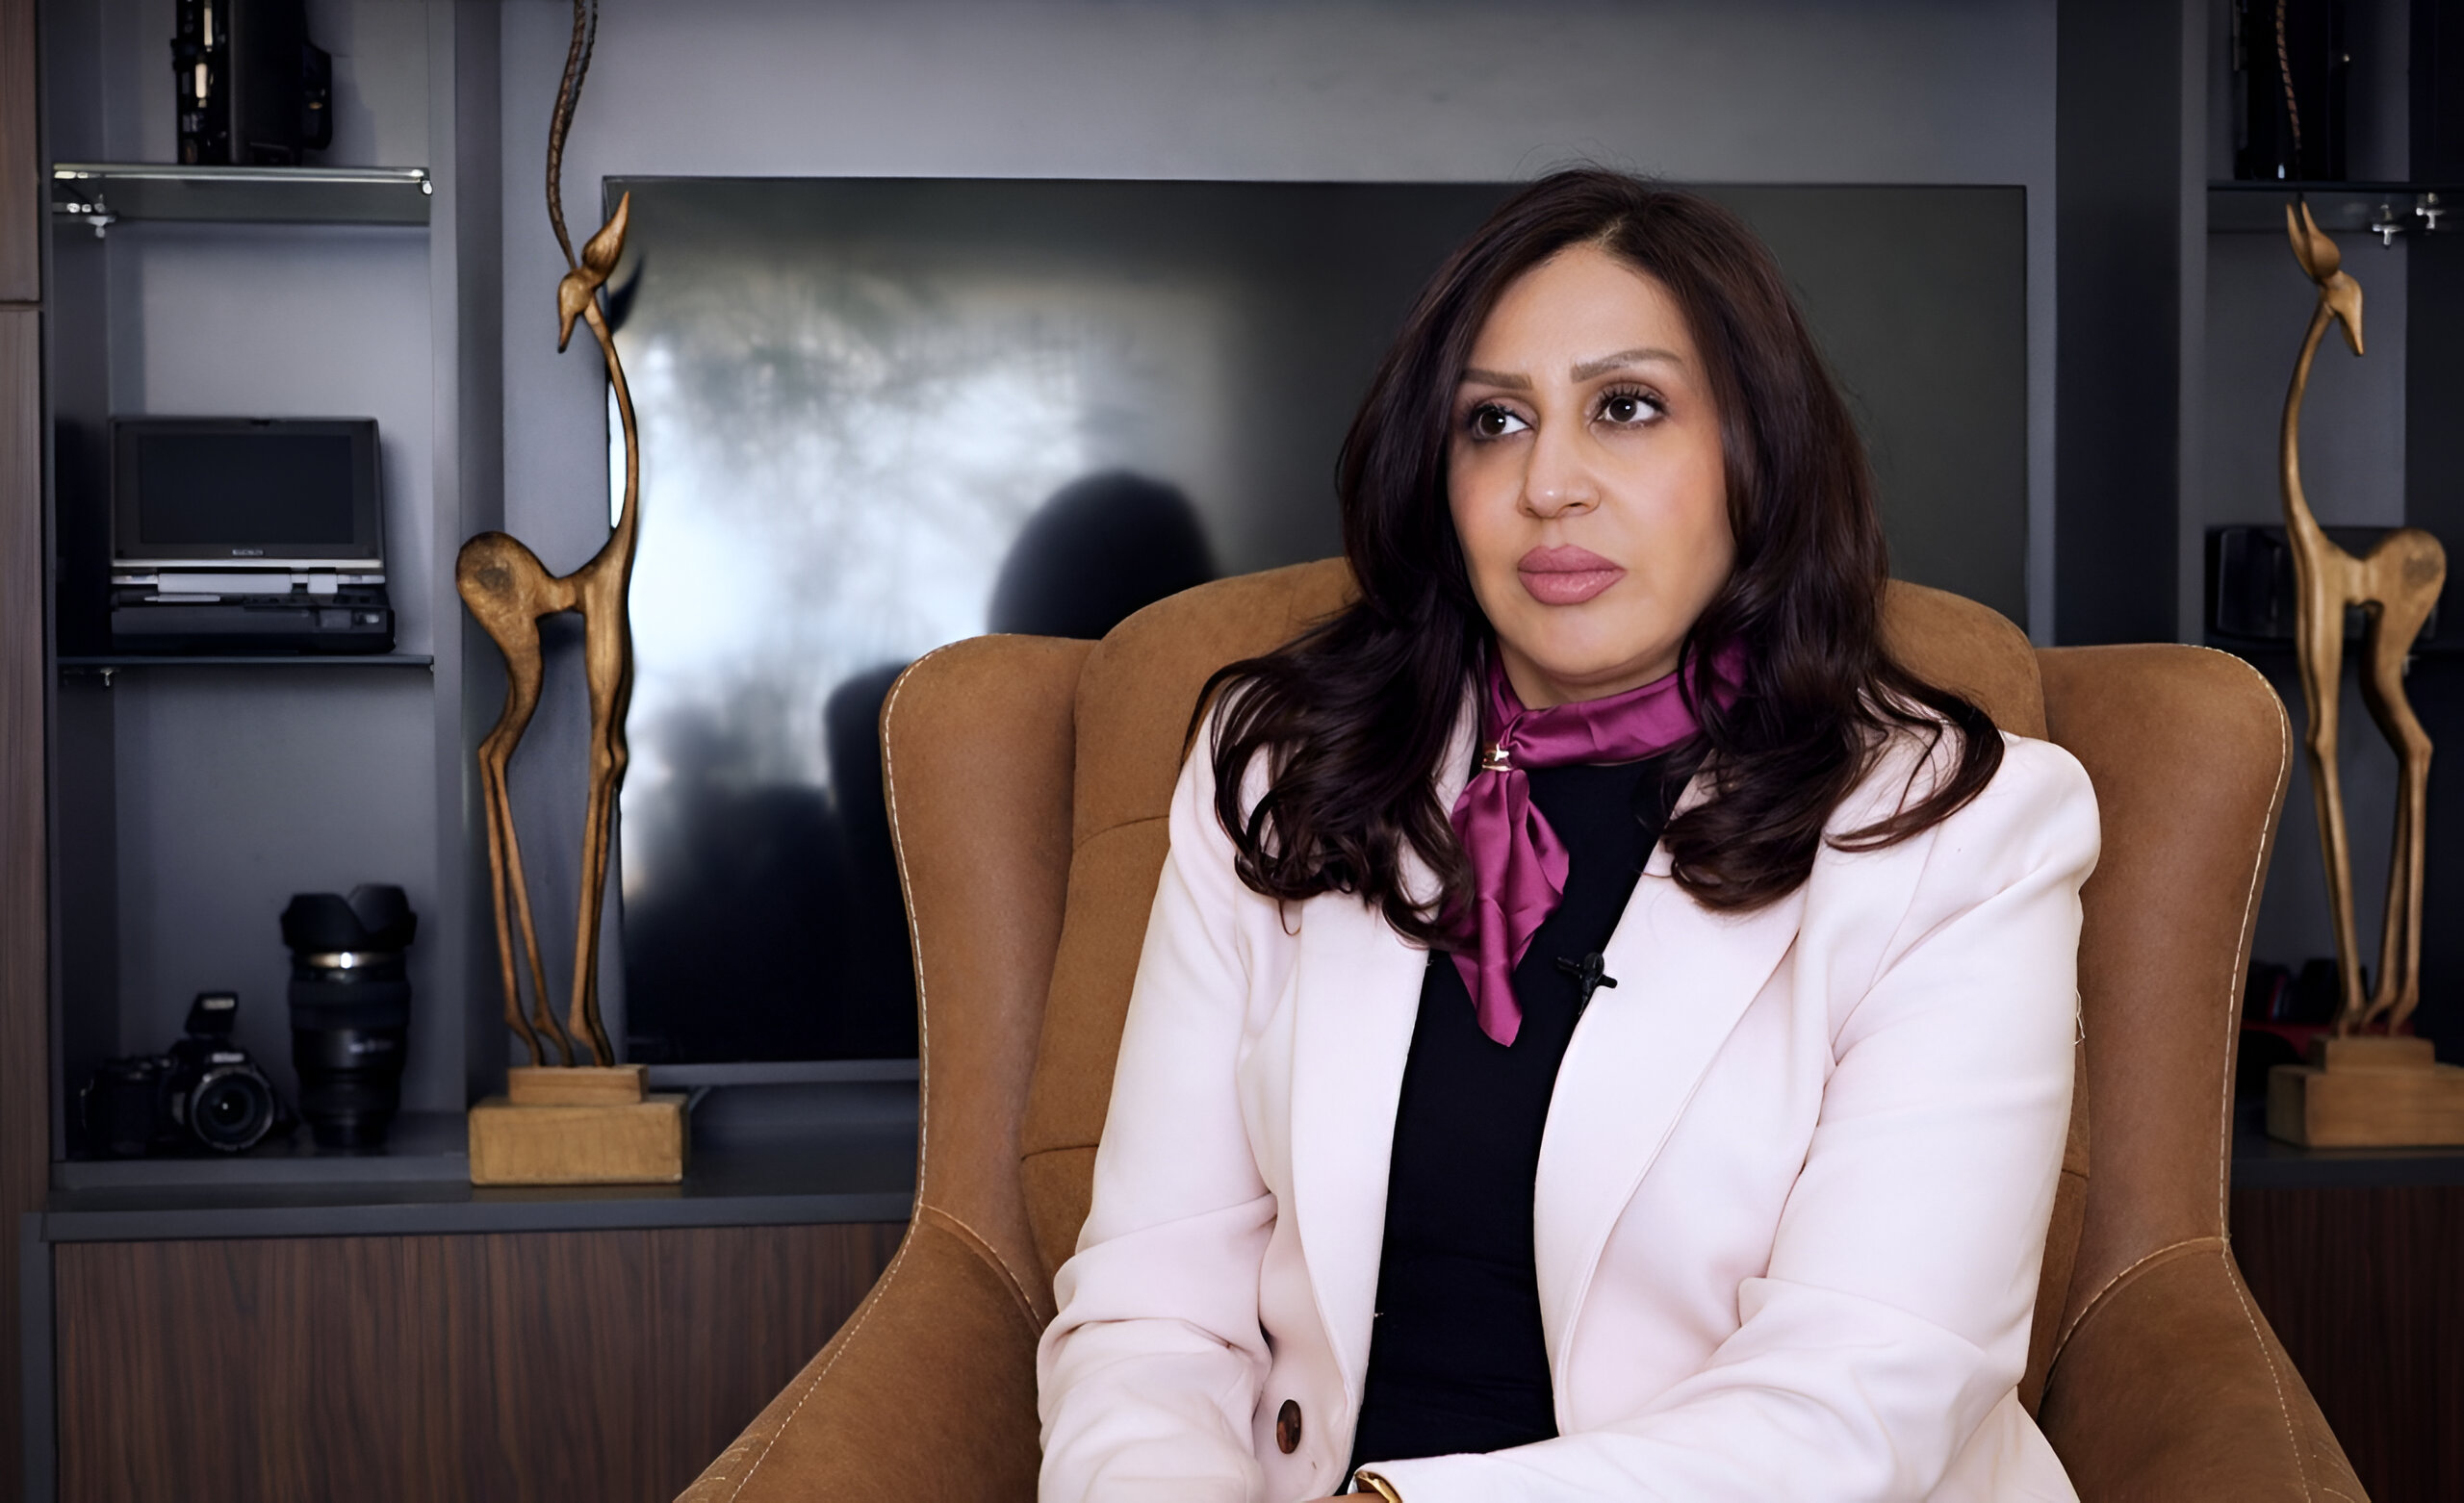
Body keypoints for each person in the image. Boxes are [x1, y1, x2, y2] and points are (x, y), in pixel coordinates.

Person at [1035, 171, 2097, 1502]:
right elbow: (1153, 1310)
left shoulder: (1964, 831)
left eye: (1627, 407)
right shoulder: (1283, 765)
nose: (1548, 484)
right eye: (1494, 421)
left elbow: (1858, 1399)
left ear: (1757, 451)